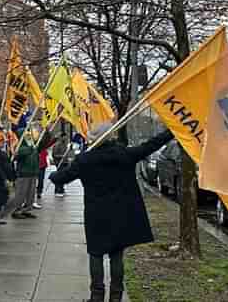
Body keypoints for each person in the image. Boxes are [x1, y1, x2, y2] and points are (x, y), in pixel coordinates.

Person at [49, 123, 173, 302]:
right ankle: (116, 296)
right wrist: (171, 132)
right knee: (117, 254)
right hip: (121, 214)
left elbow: (61, 178)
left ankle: (96, 296)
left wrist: (53, 175)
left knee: (96, 254)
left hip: (96, 215)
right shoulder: (125, 154)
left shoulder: (85, 159)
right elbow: (152, 144)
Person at [7, 130, 40, 219]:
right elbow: (17, 154)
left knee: (31, 194)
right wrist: (30, 148)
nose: (29, 136)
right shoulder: (20, 144)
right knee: (21, 193)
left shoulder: (33, 144)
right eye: (27, 135)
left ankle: (27, 210)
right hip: (23, 173)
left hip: (33, 172)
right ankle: (16, 210)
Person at [35, 134, 55, 208]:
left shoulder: (43, 147)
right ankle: (36, 192)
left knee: (41, 179)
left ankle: (39, 192)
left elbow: (49, 143)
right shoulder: (36, 147)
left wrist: (55, 138)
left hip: (42, 165)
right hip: (37, 165)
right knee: (37, 180)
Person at [52, 132, 70, 197]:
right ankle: (57, 190)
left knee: (63, 177)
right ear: (62, 137)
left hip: (64, 163)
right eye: (65, 137)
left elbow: (66, 153)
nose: (66, 138)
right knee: (59, 177)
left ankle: (62, 189)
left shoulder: (64, 144)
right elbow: (54, 155)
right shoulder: (57, 145)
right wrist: (61, 156)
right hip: (59, 163)